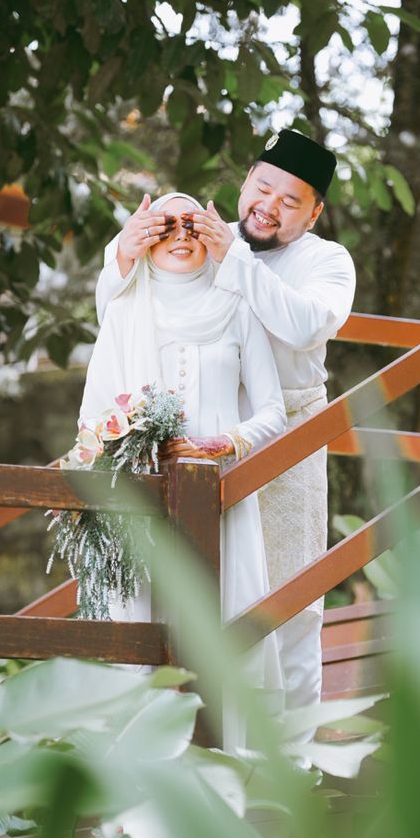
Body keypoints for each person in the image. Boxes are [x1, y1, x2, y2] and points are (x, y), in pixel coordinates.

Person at [96, 130, 356, 736]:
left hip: (284, 435)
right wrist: (124, 257)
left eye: (291, 201)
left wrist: (233, 260)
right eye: (262, 187)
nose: (269, 205)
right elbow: (123, 314)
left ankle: (294, 760)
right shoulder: (199, 238)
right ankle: (206, 742)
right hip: (202, 443)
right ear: (245, 183)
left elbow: (304, 326)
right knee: (209, 596)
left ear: (315, 211)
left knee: (290, 598)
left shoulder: (326, 261)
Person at [81, 192, 286, 752]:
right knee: (146, 624)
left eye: (193, 225)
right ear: (147, 237)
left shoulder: (238, 307)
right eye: (166, 225)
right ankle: (142, 788)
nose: (180, 236)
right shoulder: (125, 311)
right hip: (143, 501)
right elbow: (94, 416)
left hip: (222, 497)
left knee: (221, 624)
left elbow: (274, 413)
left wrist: (229, 440)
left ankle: (226, 774)